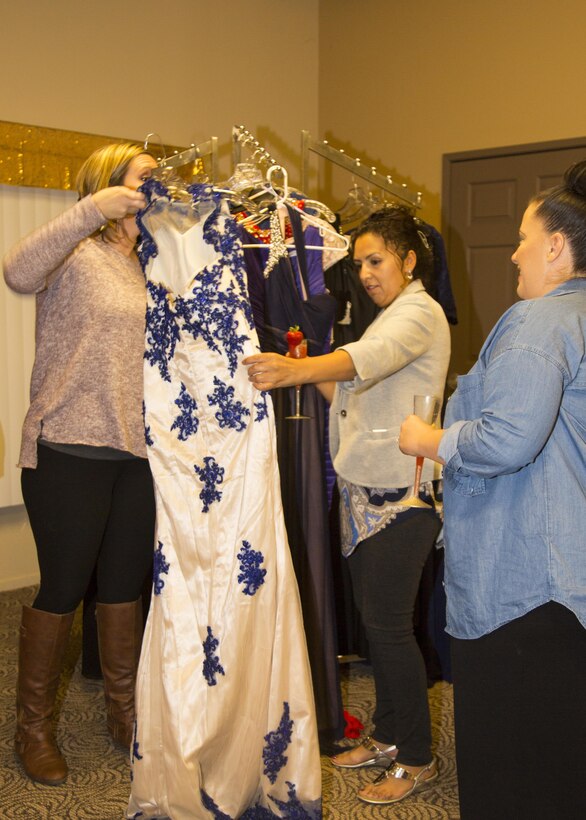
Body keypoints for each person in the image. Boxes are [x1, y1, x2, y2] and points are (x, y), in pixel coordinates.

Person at [244, 206, 451, 806]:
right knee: (379, 626)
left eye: (375, 260)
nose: (363, 272)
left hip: (404, 499)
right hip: (366, 494)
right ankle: (390, 736)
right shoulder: (388, 317)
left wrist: (293, 369)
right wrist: (309, 367)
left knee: (388, 630)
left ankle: (416, 759)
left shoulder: (419, 313)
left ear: (409, 261)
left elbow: (363, 361)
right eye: (358, 262)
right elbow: (352, 391)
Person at [399, 160, 586, 820]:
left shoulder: (538, 322)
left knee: (516, 773)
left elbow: (509, 439)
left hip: (524, 584)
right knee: (560, 760)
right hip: (564, 576)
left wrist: (431, 439)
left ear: (557, 247)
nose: (513, 252)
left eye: (523, 238)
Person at [3, 143, 158, 786]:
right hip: (67, 445)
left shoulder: (150, 264)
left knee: (124, 584)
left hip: (135, 454)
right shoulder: (77, 251)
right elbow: (16, 272)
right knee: (64, 588)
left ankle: (124, 713)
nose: (160, 189)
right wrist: (91, 208)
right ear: (110, 186)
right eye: (148, 179)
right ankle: (32, 728)